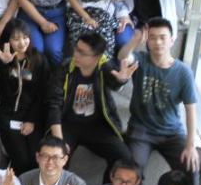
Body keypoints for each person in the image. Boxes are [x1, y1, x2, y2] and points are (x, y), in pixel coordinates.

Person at [122, 17, 201, 185]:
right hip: (141, 130)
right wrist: (135, 41)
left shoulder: (183, 72)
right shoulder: (141, 60)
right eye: (152, 38)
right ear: (147, 41)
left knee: (191, 168)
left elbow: (191, 110)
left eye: (162, 37)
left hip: (172, 132)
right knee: (133, 171)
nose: (158, 42)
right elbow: (123, 57)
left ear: (172, 40)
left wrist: (190, 145)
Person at [47, 31, 136, 173]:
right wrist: (59, 140)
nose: (76, 54)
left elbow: (114, 81)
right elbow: (54, 104)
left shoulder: (104, 67)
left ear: (97, 57)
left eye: (82, 53)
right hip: (68, 124)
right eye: (76, 49)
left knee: (123, 158)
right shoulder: (65, 68)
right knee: (57, 157)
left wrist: (121, 80)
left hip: (97, 125)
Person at [0, 20, 48, 174]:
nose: (22, 43)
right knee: (21, 161)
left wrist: (31, 120)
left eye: (25, 37)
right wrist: (5, 65)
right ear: (7, 40)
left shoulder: (39, 60)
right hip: (7, 116)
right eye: (16, 39)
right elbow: (0, 92)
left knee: (35, 159)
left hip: (32, 116)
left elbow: (42, 93)